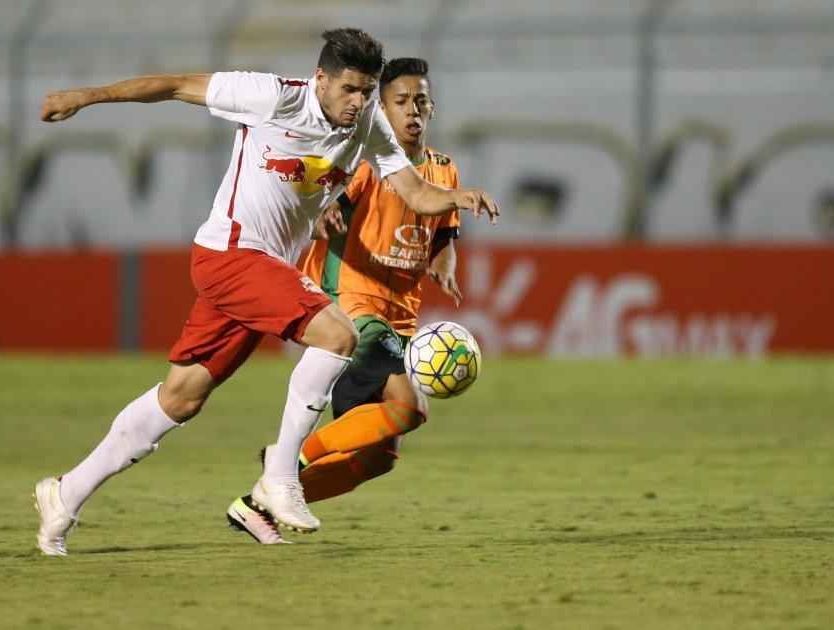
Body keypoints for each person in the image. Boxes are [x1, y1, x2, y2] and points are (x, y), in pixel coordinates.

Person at [33, 28, 499, 556]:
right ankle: (280, 477)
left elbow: (414, 188)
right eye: (349, 89)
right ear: (320, 79)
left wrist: (457, 196)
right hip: (231, 254)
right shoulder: (271, 96)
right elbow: (173, 85)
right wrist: (84, 96)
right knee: (336, 334)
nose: (358, 102)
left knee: (180, 399)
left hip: (261, 273)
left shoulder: (367, 123)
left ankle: (64, 494)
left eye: (367, 91)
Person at [225, 57, 463, 544]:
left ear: (432, 107)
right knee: (409, 407)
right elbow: (320, 199)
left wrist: (444, 261)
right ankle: (284, 463)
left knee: (377, 459)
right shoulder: (366, 162)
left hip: (401, 320)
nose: (413, 110)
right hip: (353, 305)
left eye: (421, 101)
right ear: (383, 109)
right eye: (401, 102)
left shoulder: (444, 170)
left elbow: (443, 235)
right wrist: (323, 216)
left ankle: (259, 507)